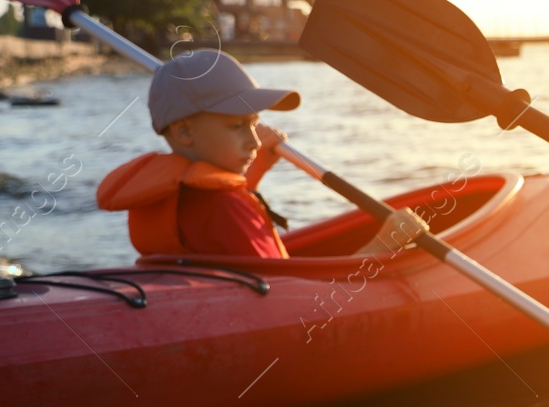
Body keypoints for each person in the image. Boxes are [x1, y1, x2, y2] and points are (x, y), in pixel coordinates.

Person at [98, 49, 425, 258]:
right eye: (237, 126)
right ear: (184, 132)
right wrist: (384, 244)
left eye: (254, 124)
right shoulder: (224, 211)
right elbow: (296, 302)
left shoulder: (191, 196)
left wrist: (258, 171)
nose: (255, 142)